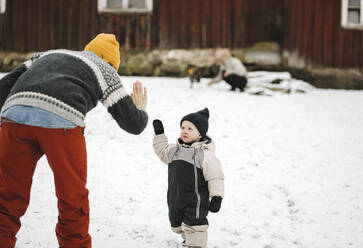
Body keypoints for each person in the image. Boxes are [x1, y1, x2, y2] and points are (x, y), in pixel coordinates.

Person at [0, 33, 148, 248]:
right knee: (72, 198)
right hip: (61, 122)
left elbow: (4, 87)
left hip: (14, 116)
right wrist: (140, 108)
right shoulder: (104, 68)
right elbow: (134, 124)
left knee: (7, 196)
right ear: (112, 63)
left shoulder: (47, 54)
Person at [152, 108, 224, 248]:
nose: (184, 131)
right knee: (177, 222)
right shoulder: (174, 150)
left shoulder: (205, 155)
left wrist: (216, 196)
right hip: (176, 197)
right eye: (183, 127)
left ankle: (196, 244)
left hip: (195, 199)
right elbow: (161, 152)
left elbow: (215, 177)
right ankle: (188, 240)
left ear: (199, 134)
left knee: (195, 224)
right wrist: (159, 134)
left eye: (190, 128)